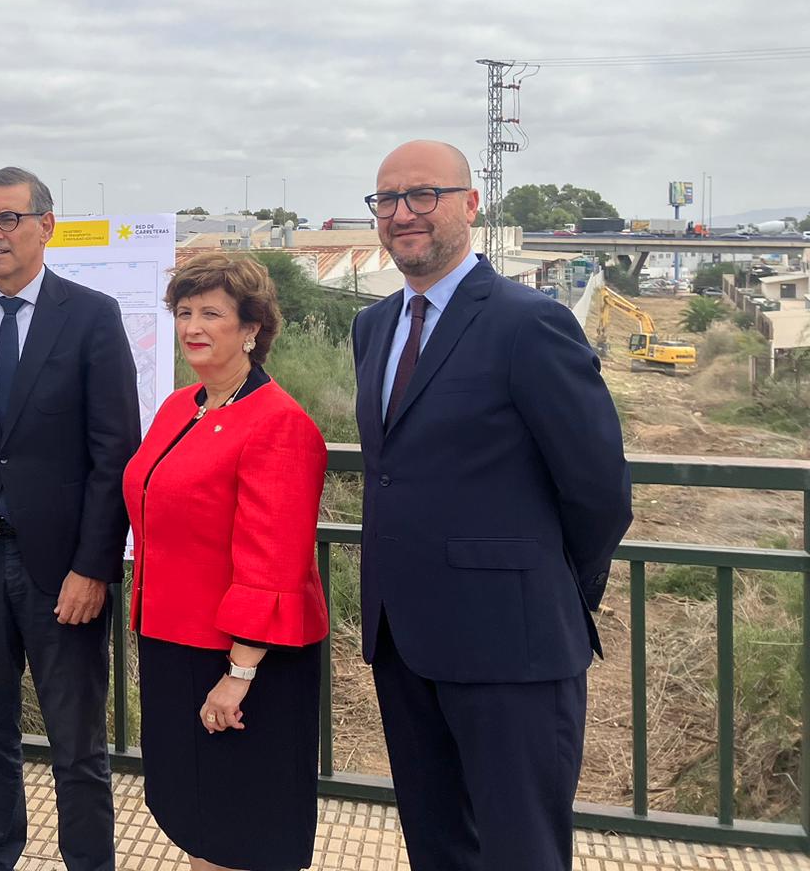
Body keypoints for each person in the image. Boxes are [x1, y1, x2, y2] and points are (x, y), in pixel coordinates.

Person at [353, 140, 632, 871]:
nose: (403, 214)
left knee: (520, 852)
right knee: (437, 846)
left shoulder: (527, 321)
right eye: (388, 199)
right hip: (404, 643)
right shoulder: (372, 327)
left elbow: (598, 489)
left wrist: (556, 591)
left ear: (470, 205)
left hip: (513, 647)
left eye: (424, 195)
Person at [0, 166, 140, 871]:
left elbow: (115, 453)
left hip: (62, 575)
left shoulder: (91, 316)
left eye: (9, 218)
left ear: (46, 225)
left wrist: (94, 566)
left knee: (77, 747)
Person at [123, 252, 328, 871]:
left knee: (242, 823)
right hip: (174, 639)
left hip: (241, 653)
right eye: (185, 312)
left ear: (252, 329)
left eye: (213, 313)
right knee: (199, 815)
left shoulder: (279, 423)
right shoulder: (183, 405)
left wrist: (239, 673)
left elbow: (275, 560)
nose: (193, 326)